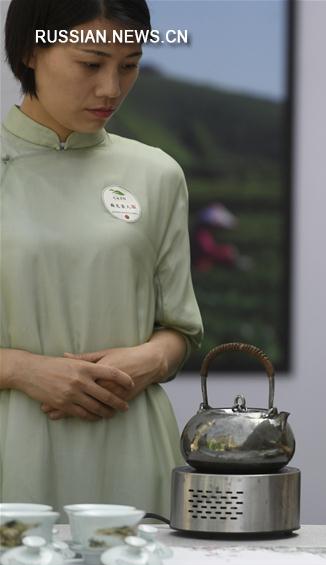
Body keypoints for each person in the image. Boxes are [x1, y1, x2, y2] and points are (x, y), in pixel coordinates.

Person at [0, 0, 202, 516]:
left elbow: (178, 329)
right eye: (91, 63)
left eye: (129, 65)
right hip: (12, 454)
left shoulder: (157, 174)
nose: (111, 88)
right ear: (30, 52)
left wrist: (149, 360)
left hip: (130, 449)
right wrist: (21, 369)